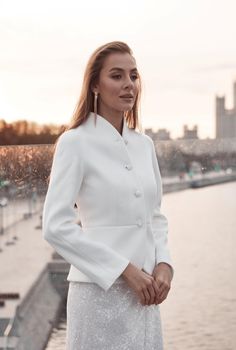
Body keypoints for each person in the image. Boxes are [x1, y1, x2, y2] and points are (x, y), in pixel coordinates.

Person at [42, 41, 174, 350]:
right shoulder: (74, 143)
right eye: (117, 76)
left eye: (133, 75)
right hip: (98, 297)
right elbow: (55, 226)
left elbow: (155, 216)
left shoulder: (145, 146)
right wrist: (126, 271)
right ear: (95, 85)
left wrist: (165, 264)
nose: (129, 84)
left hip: (146, 297)